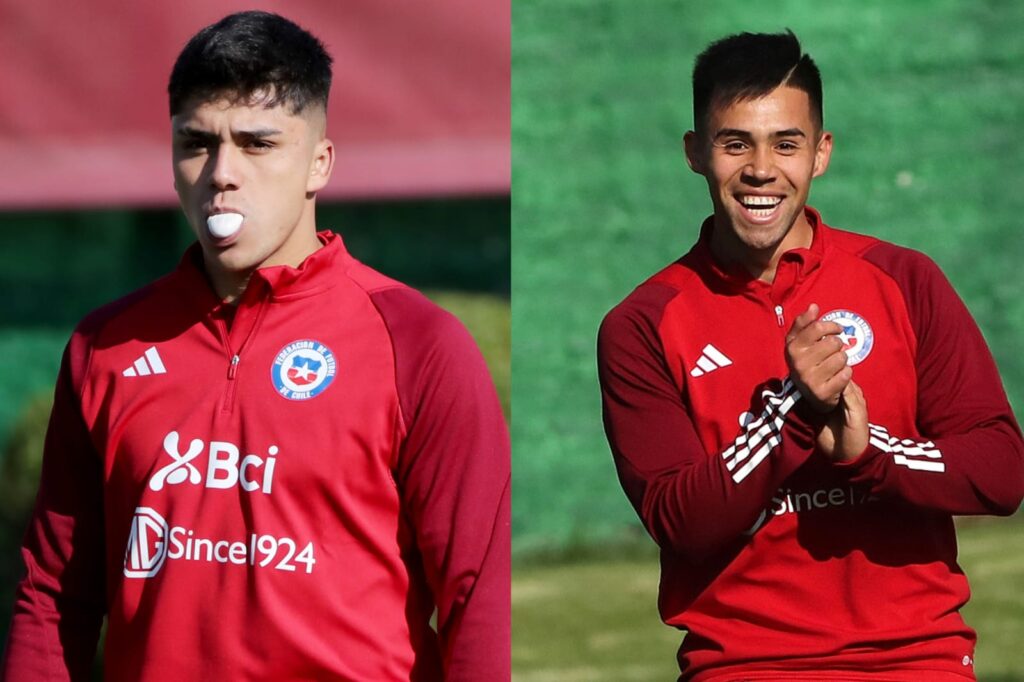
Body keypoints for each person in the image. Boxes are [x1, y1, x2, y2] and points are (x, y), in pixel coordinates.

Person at [2, 11, 509, 681]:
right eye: (197, 143)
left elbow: (478, 597)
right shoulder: (104, 347)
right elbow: (54, 598)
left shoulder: (418, 344)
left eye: (257, 143)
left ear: (319, 163)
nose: (221, 173)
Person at [597, 30, 1024, 681]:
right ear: (694, 153)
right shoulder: (642, 323)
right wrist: (794, 412)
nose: (761, 168)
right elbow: (679, 519)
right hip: (746, 664)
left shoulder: (903, 278)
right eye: (734, 142)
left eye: (785, 143)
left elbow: (1001, 469)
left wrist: (867, 454)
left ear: (821, 153)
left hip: (917, 658)